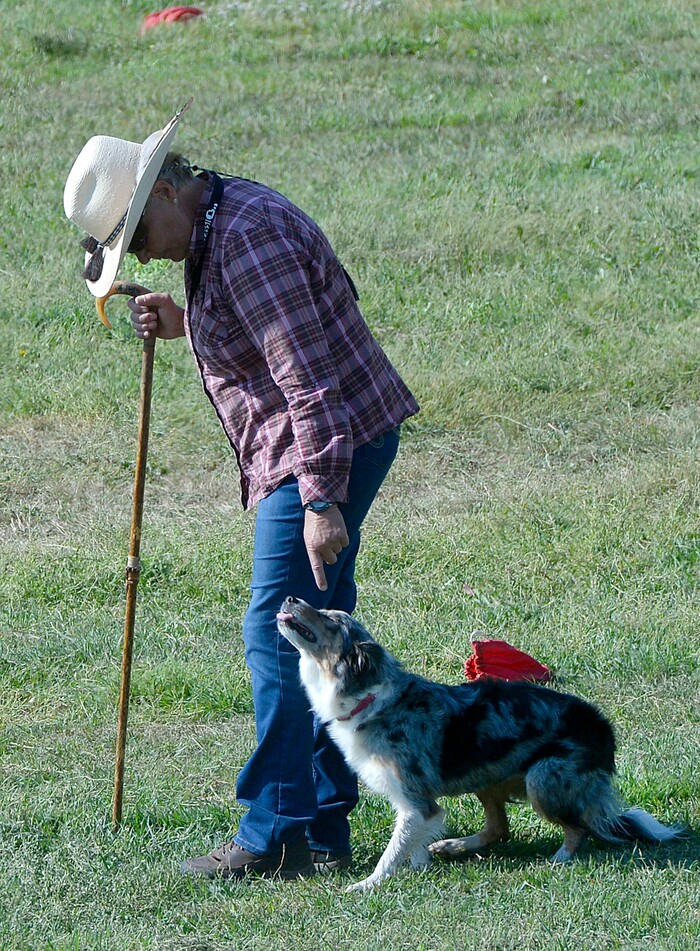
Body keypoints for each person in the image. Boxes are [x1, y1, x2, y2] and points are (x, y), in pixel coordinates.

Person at [64, 101, 419, 880]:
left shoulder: (246, 236)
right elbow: (268, 329)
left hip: (322, 445)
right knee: (317, 634)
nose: (146, 258)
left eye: (140, 239)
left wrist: (321, 498)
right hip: (320, 441)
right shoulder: (218, 219)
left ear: (162, 191)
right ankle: (323, 824)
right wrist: (188, 320)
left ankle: (277, 833)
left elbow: (307, 374)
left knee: (278, 630)